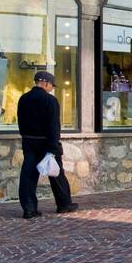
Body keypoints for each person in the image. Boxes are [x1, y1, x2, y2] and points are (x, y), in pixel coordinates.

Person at [17, 70, 78, 218]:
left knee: (28, 176)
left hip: (29, 141)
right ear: (45, 83)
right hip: (46, 142)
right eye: (51, 85)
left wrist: (26, 137)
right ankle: (64, 204)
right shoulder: (50, 100)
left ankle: (29, 209)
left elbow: (20, 121)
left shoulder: (24, 98)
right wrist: (53, 146)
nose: (52, 88)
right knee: (56, 174)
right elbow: (53, 126)